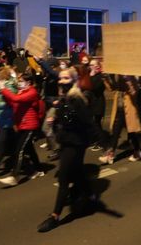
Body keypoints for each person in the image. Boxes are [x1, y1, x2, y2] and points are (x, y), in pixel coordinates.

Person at [37, 68, 98, 233]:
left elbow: (87, 122)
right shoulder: (65, 97)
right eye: (60, 78)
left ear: (73, 80)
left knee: (64, 177)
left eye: (65, 78)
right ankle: (91, 196)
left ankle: (55, 216)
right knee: (77, 173)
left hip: (75, 144)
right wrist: (56, 112)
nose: (61, 81)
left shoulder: (77, 99)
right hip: (67, 143)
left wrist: (102, 141)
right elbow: (65, 117)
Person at [0, 72, 44, 186]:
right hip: (22, 125)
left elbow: (16, 99)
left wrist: (4, 89)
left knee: (20, 150)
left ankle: (14, 176)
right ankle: (38, 170)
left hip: (30, 125)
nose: (19, 83)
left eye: (21, 81)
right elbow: (13, 102)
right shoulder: (22, 91)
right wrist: (3, 93)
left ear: (28, 82)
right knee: (29, 149)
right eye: (18, 81)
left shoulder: (32, 92)